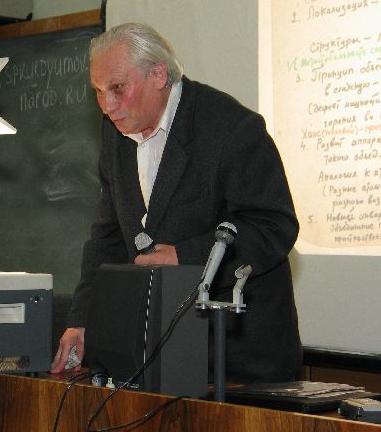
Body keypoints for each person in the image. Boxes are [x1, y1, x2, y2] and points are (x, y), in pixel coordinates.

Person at [51, 22, 302, 383]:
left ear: (158, 74)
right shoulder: (116, 133)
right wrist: (83, 320)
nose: (108, 106)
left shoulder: (231, 127)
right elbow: (107, 238)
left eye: (118, 88)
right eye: (98, 92)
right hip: (158, 352)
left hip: (239, 355)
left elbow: (274, 226)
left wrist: (186, 258)